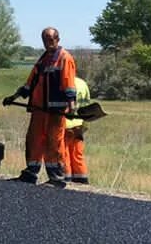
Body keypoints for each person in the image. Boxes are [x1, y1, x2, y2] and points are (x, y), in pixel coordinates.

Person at [9, 26, 77, 187]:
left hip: (55, 110)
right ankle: (30, 174)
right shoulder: (43, 59)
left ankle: (57, 178)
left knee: (54, 143)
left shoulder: (64, 58)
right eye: (45, 40)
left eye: (51, 40)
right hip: (39, 109)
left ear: (57, 39)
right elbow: (31, 82)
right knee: (34, 140)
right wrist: (14, 97)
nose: (48, 43)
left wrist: (71, 106)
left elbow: (69, 84)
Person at [63, 74, 91, 185]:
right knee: (77, 155)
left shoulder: (63, 83)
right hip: (79, 124)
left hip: (65, 124)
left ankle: (66, 178)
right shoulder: (82, 83)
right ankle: (81, 179)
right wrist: (85, 125)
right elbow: (86, 105)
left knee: (64, 153)